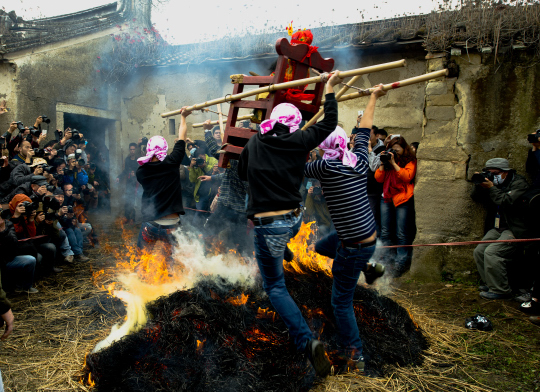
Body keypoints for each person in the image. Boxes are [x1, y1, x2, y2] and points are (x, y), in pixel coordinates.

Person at [238, 71, 343, 378]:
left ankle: (306, 341)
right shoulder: (299, 141)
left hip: (268, 225)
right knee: (284, 237)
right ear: (295, 126)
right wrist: (331, 89)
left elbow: (242, 173)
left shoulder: (255, 142)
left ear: (273, 121)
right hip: (293, 218)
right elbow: (327, 123)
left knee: (274, 286)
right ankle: (282, 248)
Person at [305, 86, 386, 373]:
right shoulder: (359, 159)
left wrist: (300, 137)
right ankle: (371, 265)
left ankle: (356, 356)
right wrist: (374, 96)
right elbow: (365, 128)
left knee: (340, 303)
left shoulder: (324, 168)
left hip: (353, 245)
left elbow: (294, 162)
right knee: (320, 248)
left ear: (324, 148)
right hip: (364, 235)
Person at [471, 158, 529, 299]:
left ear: (505, 172)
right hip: (498, 226)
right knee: (479, 251)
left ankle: (500, 290)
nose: (492, 176)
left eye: (495, 173)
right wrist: (480, 185)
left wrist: (491, 188)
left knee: (492, 252)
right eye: (489, 173)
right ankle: (491, 284)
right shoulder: (493, 184)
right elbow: (475, 198)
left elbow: (505, 201)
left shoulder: (518, 183)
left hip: (514, 228)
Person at [135, 108, 191, 250]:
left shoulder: (141, 172)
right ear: (164, 149)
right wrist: (183, 117)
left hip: (151, 224)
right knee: (170, 263)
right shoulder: (172, 162)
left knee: (142, 260)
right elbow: (181, 139)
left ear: (148, 149)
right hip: (172, 225)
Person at [201, 120, 250, 252]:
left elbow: (215, 151)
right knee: (240, 243)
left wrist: (207, 131)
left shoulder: (235, 159)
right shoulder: (253, 160)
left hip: (227, 207)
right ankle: (243, 266)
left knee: (209, 231)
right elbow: (229, 175)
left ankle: (205, 259)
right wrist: (212, 177)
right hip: (242, 212)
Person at [374, 134, 417, 277]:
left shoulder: (410, 160)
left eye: (398, 151)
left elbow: (407, 176)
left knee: (402, 233)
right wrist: (382, 162)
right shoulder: (386, 161)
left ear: (404, 150)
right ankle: (386, 261)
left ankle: (401, 263)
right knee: (386, 232)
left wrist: (394, 163)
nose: (395, 153)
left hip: (403, 199)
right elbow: (378, 179)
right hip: (386, 198)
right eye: (393, 150)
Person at [0, 208, 38, 293]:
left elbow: (14, 243)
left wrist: (3, 230)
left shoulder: (8, 224)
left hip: (7, 259)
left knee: (30, 260)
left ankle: (25, 286)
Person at [188, 148, 218, 228]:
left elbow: (214, 173)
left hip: (213, 193)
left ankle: (208, 232)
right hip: (201, 194)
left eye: (201, 158)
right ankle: (194, 231)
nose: (200, 160)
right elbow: (192, 179)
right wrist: (191, 166)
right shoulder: (196, 164)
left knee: (211, 215)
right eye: (198, 159)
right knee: (199, 213)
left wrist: (204, 166)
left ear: (205, 155)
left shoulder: (213, 160)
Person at [116, 143, 140, 223]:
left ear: (135, 150)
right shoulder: (127, 159)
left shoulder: (138, 160)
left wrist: (135, 174)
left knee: (134, 202)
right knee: (127, 200)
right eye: (131, 149)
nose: (132, 151)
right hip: (129, 183)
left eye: (133, 149)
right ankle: (126, 217)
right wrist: (119, 177)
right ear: (129, 150)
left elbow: (142, 171)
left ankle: (133, 218)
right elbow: (125, 171)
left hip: (136, 184)